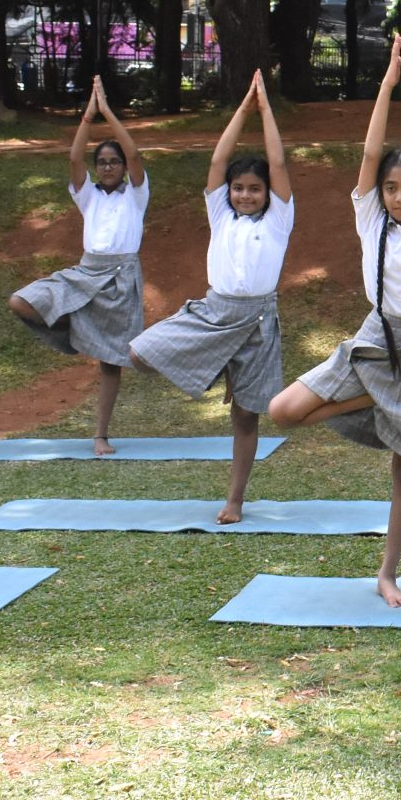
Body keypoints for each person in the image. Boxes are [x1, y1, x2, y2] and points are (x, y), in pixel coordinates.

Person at [269, 35, 401, 608]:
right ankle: (375, 400)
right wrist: (385, 84)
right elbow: (372, 154)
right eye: (392, 188)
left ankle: (388, 573)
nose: (400, 196)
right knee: (283, 412)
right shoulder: (371, 219)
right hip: (378, 337)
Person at [127, 71, 291, 523]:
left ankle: (235, 499)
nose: (245, 195)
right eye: (239, 189)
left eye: (253, 189)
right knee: (140, 354)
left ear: (267, 195)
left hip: (257, 322)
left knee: (246, 417)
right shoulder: (220, 214)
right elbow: (219, 163)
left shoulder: (278, 221)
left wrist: (267, 111)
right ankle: (210, 364)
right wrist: (242, 110)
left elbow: (278, 165)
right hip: (213, 312)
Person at [9, 76, 148, 454]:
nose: (108, 168)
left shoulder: (135, 195)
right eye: (102, 163)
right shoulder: (88, 197)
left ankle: (101, 434)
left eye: (113, 162)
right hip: (86, 272)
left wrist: (108, 113)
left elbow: (135, 155)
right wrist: (88, 116)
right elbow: (73, 158)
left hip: (121, 278)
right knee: (21, 301)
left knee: (109, 364)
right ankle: (80, 331)